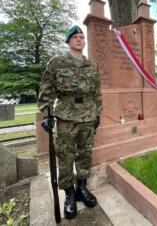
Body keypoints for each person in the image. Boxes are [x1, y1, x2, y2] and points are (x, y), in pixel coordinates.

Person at [37, 25, 103, 219]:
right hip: (66, 116)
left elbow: (97, 92)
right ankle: (69, 194)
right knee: (65, 156)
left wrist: (97, 113)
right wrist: (47, 114)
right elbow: (47, 89)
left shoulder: (91, 66)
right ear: (68, 41)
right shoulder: (56, 63)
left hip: (87, 115)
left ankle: (82, 187)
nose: (80, 39)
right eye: (75, 37)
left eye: (82, 37)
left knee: (85, 154)